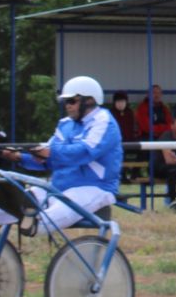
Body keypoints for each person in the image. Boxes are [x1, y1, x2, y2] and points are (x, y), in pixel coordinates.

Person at [28, 76, 123, 233]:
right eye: (66, 102)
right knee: (13, 202)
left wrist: (50, 153)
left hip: (96, 188)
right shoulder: (66, 124)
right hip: (60, 185)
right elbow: (51, 158)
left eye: (72, 101)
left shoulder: (104, 122)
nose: (67, 106)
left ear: (90, 100)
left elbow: (84, 152)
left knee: (38, 224)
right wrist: (19, 157)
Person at [153, 116, 176, 205]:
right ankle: (173, 203)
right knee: (173, 172)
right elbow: (169, 161)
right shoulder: (166, 136)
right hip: (159, 167)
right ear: (172, 126)